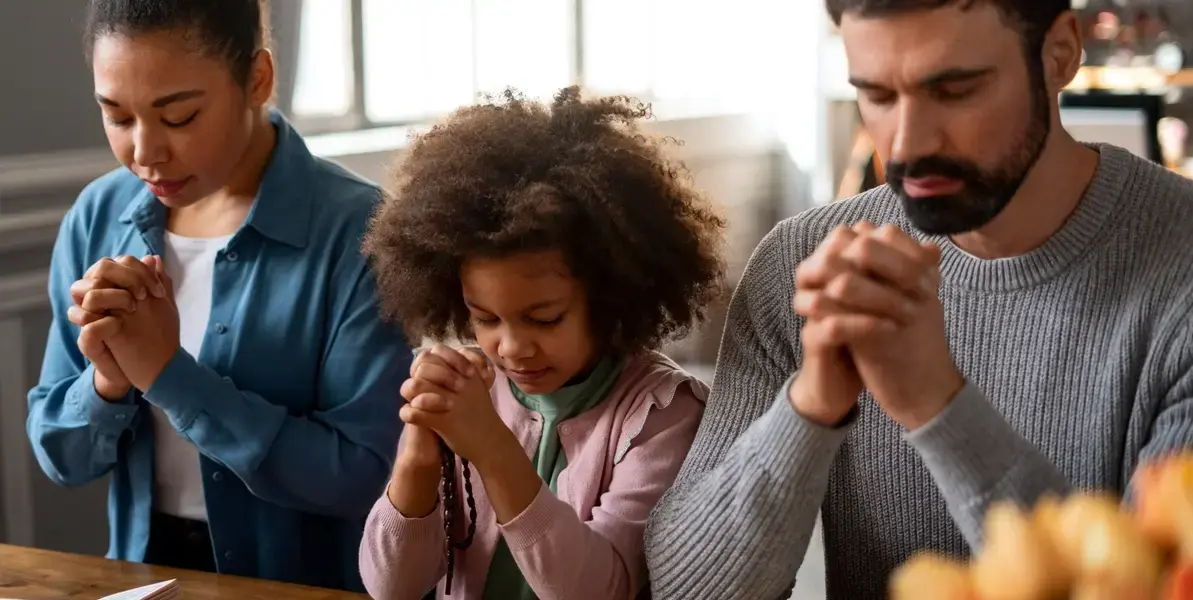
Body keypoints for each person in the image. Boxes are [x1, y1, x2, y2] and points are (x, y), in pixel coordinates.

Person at [643, 1, 1193, 598]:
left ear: (1059, 54)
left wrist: (938, 405)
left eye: (955, 90)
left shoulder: (1186, 282)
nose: (907, 144)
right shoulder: (802, 263)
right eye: (877, 95)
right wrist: (810, 403)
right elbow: (683, 590)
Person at [26, 0, 409, 591]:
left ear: (257, 79)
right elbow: (62, 457)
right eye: (118, 117)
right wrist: (106, 383)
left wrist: (167, 374)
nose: (145, 152)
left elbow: (360, 475)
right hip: (142, 568)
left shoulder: (360, 233)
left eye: (178, 117)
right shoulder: (97, 217)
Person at [357, 87, 724, 600]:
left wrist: (490, 446)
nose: (510, 348)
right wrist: (419, 455)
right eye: (484, 318)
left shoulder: (661, 415)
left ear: (612, 294)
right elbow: (390, 587)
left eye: (544, 319)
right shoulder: (469, 387)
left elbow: (601, 590)